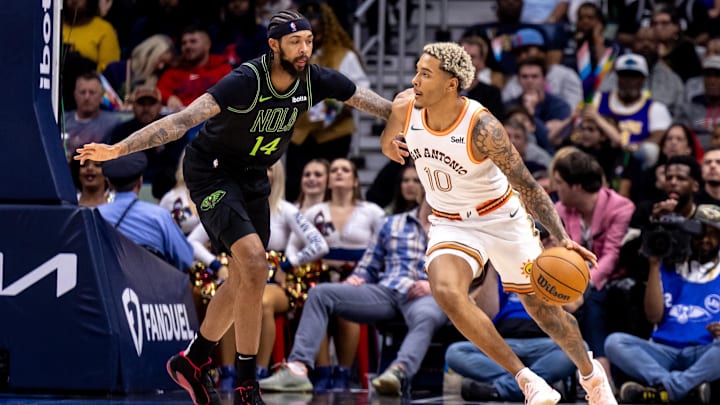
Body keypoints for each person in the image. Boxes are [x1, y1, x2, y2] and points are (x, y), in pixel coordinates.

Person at [74, 9, 392, 405]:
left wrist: (415, 118)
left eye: (309, 41)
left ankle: (193, 362)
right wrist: (118, 149)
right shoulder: (246, 80)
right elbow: (182, 120)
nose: (305, 50)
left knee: (245, 276)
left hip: (255, 176)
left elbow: (372, 102)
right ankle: (246, 385)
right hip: (212, 172)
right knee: (256, 264)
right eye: (296, 42)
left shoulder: (314, 78)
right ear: (274, 45)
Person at [380, 42, 616, 405]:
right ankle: (527, 380)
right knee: (446, 291)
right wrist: (383, 141)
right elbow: (378, 114)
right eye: (416, 70)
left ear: (451, 84)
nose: (415, 80)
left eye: (425, 74)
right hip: (451, 222)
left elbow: (529, 185)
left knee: (542, 308)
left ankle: (591, 374)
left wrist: (562, 237)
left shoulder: (483, 127)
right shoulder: (406, 105)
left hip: (501, 217)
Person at [258, 195, 448, 396]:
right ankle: (297, 368)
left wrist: (433, 286)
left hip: (428, 294)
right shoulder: (393, 223)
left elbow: (467, 275)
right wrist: (356, 278)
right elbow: (368, 264)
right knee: (320, 293)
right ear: (421, 194)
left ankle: (398, 372)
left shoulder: (453, 229)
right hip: (387, 290)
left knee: (427, 316)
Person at [605, 204, 720, 405]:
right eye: (701, 232)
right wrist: (654, 265)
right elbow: (653, 317)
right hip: (662, 350)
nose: (705, 240)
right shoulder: (669, 266)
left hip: (703, 351)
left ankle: (662, 390)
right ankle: (684, 387)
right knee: (614, 342)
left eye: (713, 234)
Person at [552, 149, 635, 387]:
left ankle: (601, 369)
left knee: (592, 301)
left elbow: (612, 254)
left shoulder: (621, 207)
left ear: (576, 186)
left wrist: (584, 283)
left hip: (610, 277)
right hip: (572, 276)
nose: (556, 189)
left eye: (559, 183)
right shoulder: (560, 210)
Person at [98, 152, 194, 271]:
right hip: (152, 286)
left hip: (109, 287)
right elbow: (186, 258)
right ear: (140, 181)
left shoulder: (95, 216)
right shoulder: (159, 216)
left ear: (109, 183)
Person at [108, 85, 188, 199]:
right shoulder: (122, 131)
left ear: (160, 106)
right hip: (128, 186)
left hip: (166, 189)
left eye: (151, 104)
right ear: (133, 106)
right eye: (141, 103)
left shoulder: (173, 129)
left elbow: (178, 163)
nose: (146, 108)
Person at [157, 25, 232, 111]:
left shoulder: (223, 70)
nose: (187, 46)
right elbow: (159, 91)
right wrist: (169, 98)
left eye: (193, 41)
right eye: (184, 43)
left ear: (207, 45)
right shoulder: (173, 72)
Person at [63, 72, 122, 161]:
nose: (87, 97)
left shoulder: (114, 123)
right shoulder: (61, 120)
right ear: (75, 94)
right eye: (82, 92)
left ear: (101, 96)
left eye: (92, 92)